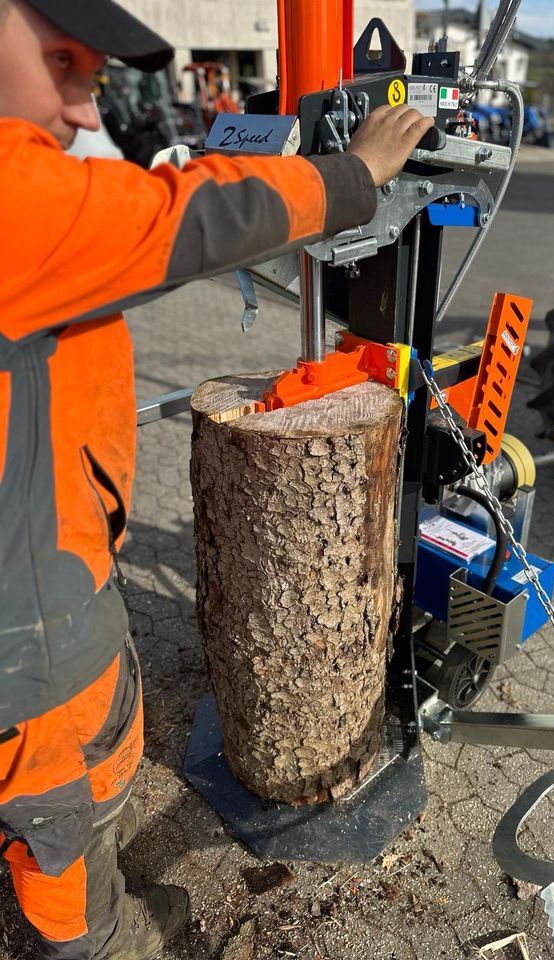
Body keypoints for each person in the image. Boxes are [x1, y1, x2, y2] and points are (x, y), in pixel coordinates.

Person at [0, 1, 434, 958]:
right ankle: (92, 939)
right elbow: (192, 217)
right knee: (64, 818)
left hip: (41, 560)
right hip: (24, 632)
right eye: (62, 59)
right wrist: (352, 176)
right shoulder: (9, 200)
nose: (81, 108)